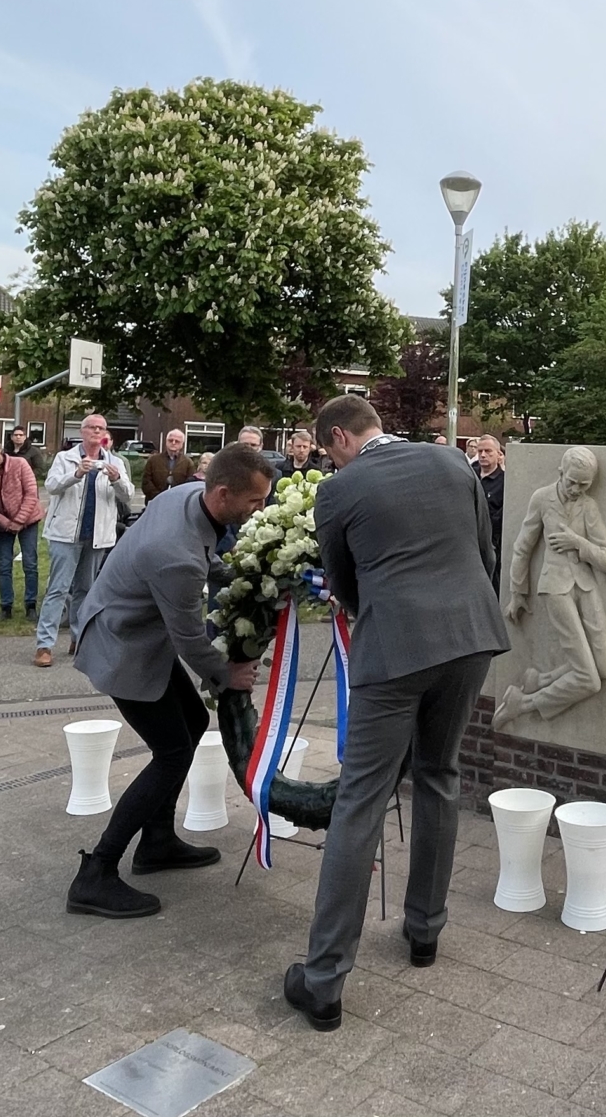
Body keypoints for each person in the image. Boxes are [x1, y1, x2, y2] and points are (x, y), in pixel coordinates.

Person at [282, 395, 507, 1033]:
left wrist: (373, 608)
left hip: (396, 648)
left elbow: (343, 584)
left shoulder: (339, 489)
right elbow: (485, 556)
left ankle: (323, 980)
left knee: (361, 799)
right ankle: (425, 931)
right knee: (439, 773)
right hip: (471, 637)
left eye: (327, 449)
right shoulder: (454, 464)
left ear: (336, 439)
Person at [64, 444, 274, 919]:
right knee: (173, 750)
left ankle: (156, 842)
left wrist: (247, 574)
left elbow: (204, 564)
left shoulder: (188, 497)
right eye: (255, 502)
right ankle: (96, 873)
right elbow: (193, 643)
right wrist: (230, 674)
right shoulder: (175, 556)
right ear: (222, 493)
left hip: (138, 638)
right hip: (124, 650)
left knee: (193, 723)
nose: (259, 509)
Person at [39, 414, 140, 665]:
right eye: (92, 428)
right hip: (66, 534)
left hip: (97, 536)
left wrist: (116, 479)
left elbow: (128, 495)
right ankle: (44, 645)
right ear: (82, 432)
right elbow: (51, 486)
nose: (96, 432)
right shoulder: (65, 458)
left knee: (86, 590)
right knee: (58, 589)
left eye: (101, 428)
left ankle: (79, 639)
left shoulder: (114, 461)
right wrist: (76, 473)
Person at [0, 438, 45, 620]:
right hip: (3, 525)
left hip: (28, 520)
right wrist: (5, 523)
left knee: (30, 563)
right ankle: (6, 607)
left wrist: (19, 521)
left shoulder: (20, 464)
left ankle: (31, 605)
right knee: (3, 564)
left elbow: (31, 494)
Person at [475, 436, 507, 566]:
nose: (483, 455)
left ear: (499, 454)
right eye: (480, 451)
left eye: (488, 451)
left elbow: (501, 517)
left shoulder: (505, 482)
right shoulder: (469, 476)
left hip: (492, 545)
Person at [141, 428, 195, 498]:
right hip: (154, 501)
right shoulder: (153, 460)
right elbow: (146, 482)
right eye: (170, 440)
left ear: (182, 444)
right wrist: (159, 496)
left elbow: (189, 485)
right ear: (166, 442)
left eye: (177, 441)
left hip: (177, 502)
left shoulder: (188, 463)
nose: (173, 443)